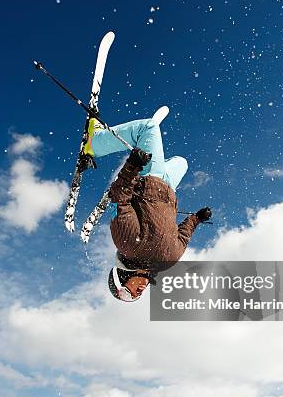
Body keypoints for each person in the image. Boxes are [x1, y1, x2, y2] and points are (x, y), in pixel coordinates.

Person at [83, 107, 212, 302]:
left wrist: (132, 166)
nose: (137, 293)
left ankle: (95, 142)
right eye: (136, 297)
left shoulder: (127, 245)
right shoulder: (167, 263)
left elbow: (120, 199)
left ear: (121, 279)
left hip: (149, 179)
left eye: (127, 294)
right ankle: (155, 154)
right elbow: (183, 237)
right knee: (182, 162)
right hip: (168, 188)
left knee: (148, 127)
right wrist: (197, 218)